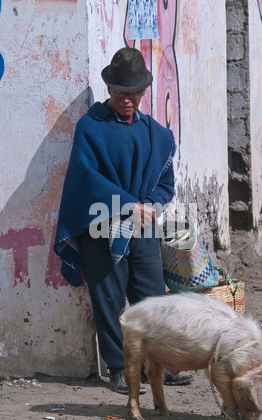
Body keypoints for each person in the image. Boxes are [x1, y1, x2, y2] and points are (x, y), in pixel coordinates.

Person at [54, 47, 192, 393]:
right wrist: (129, 205)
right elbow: (87, 180)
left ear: (144, 92)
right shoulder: (90, 128)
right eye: (120, 92)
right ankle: (118, 368)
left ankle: (158, 366)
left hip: (143, 226)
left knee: (152, 299)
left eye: (133, 93)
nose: (127, 99)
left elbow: (165, 183)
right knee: (109, 298)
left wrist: (150, 206)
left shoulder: (156, 135)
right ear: (109, 89)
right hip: (102, 226)